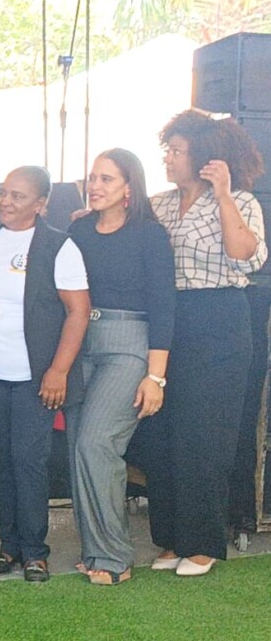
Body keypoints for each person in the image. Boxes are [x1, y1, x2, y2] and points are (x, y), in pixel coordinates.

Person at [141, 111, 267, 577]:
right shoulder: (159, 204)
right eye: (167, 150)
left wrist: (222, 195)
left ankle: (204, 542)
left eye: (177, 150)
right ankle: (171, 538)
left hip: (220, 319)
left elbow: (244, 255)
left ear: (206, 156)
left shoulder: (241, 201)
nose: (169, 158)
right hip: (168, 319)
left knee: (205, 433)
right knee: (163, 431)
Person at [0, 166, 90, 583]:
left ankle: (36, 551)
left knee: (29, 461)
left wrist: (58, 370)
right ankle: (9, 546)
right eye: (3, 193)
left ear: (40, 205)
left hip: (35, 377)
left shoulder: (59, 246)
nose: (5, 202)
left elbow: (78, 312)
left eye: (18, 196)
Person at [67, 148, 176, 585]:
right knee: (79, 447)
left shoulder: (150, 235)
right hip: (81, 340)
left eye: (107, 179)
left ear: (129, 188)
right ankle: (94, 549)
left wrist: (155, 376)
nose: (95, 185)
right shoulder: (78, 229)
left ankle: (114, 556)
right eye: (93, 177)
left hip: (129, 343)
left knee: (97, 443)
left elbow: (164, 308)